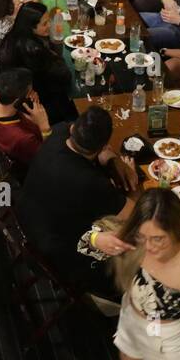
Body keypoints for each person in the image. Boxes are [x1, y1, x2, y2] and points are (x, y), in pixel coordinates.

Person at [79, 188, 180, 360]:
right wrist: (97, 239)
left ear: (177, 231)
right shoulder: (132, 237)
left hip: (166, 341)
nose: (149, 247)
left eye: (158, 239)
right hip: (131, 317)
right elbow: (84, 243)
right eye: (142, 237)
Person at [14, 108, 137, 298]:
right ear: (103, 145)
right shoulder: (91, 183)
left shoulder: (56, 134)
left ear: (73, 129)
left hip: (25, 218)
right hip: (59, 251)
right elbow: (134, 214)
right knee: (133, 246)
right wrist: (129, 174)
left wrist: (113, 160)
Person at [0, 1, 76, 122]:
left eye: (49, 20)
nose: (49, 25)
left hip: (16, 85)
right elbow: (62, 76)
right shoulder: (32, 49)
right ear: (31, 27)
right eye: (44, 24)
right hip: (28, 98)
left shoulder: (15, 34)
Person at [0, 67, 50, 166]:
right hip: (31, 157)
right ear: (17, 101)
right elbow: (48, 156)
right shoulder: (23, 138)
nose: (33, 94)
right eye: (30, 92)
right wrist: (44, 127)